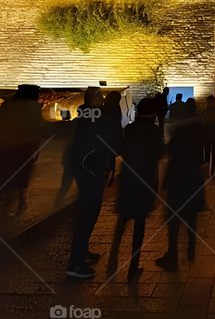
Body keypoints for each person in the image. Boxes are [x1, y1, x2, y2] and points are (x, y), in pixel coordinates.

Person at [64, 88, 122, 279]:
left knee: (91, 211)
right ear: (91, 99)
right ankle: (76, 262)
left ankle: (82, 251)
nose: (102, 99)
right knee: (88, 212)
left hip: (92, 166)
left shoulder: (92, 115)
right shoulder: (89, 114)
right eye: (98, 96)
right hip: (88, 167)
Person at [107, 98, 165, 280]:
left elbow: (122, 149)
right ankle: (133, 267)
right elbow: (160, 153)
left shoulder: (130, 129)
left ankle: (112, 259)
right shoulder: (154, 131)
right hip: (144, 181)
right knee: (139, 226)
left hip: (128, 179)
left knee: (121, 222)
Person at [156, 98, 205, 271]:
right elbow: (202, 155)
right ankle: (191, 247)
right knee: (191, 216)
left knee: (174, 220)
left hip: (178, 178)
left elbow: (168, 151)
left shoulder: (179, 131)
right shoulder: (199, 129)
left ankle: (172, 255)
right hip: (193, 178)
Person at [0, 84, 45, 214]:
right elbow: (36, 128)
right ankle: (20, 201)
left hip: (2, 144)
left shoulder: (8, 104)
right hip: (22, 146)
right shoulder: (33, 107)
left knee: (0, 173)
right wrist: (36, 146)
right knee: (20, 174)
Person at [200, 94, 215, 176]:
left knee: (208, 153)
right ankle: (211, 171)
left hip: (208, 136)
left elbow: (203, 123)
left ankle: (209, 171)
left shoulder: (206, 113)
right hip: (213, 136)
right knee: (213, 153)